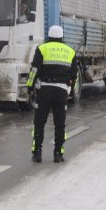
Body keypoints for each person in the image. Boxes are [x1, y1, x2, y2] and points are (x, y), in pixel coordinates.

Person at [26, 25, 78, 163]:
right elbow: (74, 75)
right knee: (59, 124)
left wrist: (30, 87)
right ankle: (58, 153)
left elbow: (34, 70)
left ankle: (37, 153)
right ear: (62, 36)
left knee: (39, 123)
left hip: (44, 90)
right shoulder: (70, 51)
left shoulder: (42, 48)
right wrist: (69, 90)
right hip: (61, 92)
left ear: (49, 36)